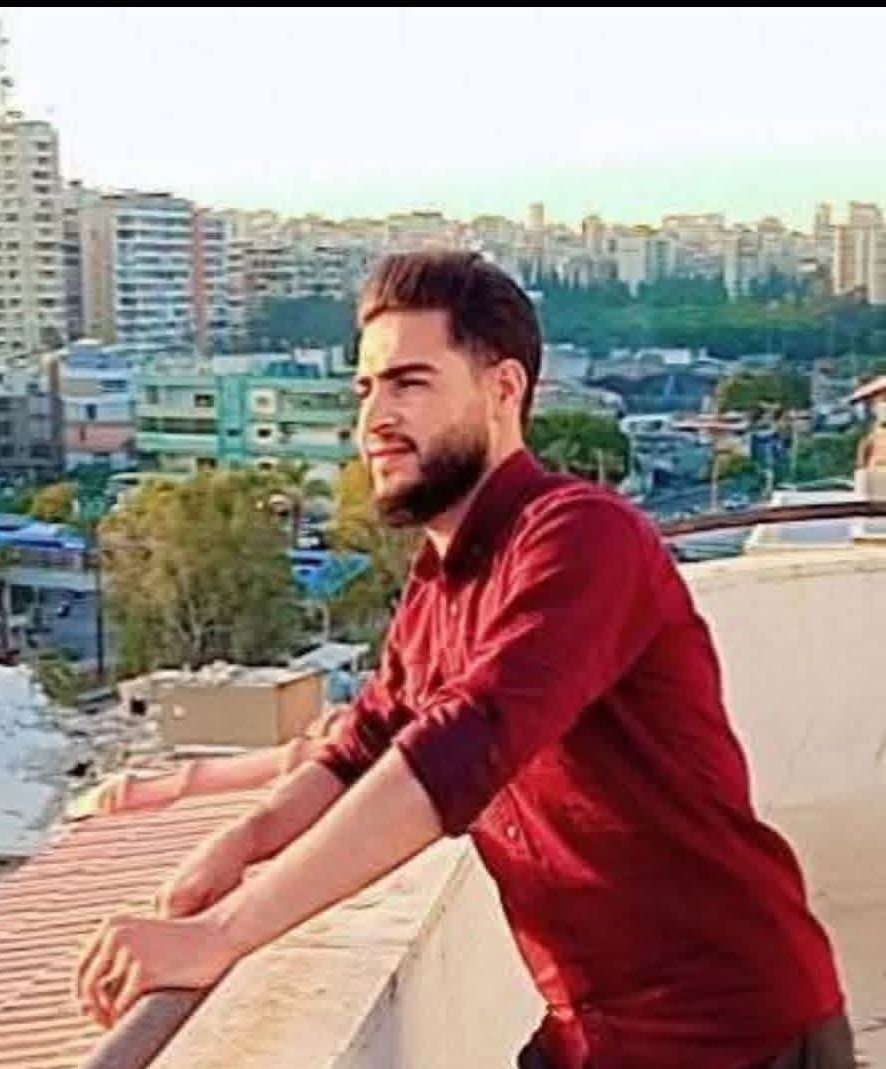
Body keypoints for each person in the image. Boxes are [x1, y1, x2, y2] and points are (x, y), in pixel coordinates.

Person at [76, 252, 854, 1069]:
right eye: (364, 389)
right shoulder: (438, 587)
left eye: (409, 383)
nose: (375, 418)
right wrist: (240, 844)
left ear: (503, 389)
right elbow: (362, 745)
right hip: (594, 1030)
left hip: (736, 1032)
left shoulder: (581, 537)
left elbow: (464, 740)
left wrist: (220, 935)